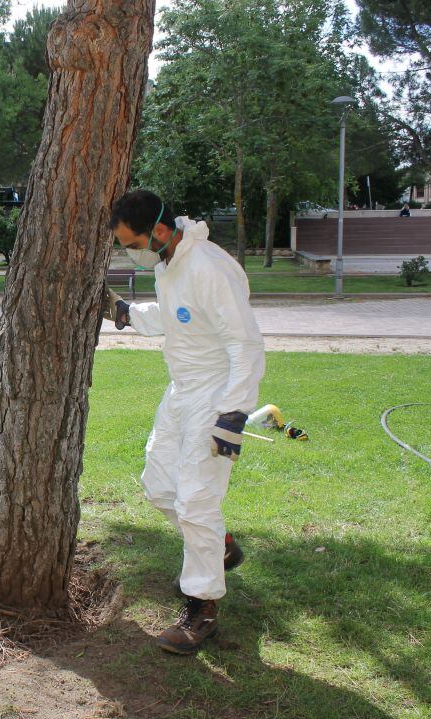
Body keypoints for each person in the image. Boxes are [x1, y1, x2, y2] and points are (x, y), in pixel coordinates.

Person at [105, 190, 265, 655]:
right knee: (158, 485)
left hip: (215, 394)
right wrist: (125, 312)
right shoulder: (170, 263)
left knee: (196, 500)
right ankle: (221, 546)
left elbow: (245, 343)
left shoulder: (209, 267)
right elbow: (178, 320)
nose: (129, 253)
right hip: (181, 390)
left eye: (131, 244)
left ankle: (203, 608)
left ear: (157, 231)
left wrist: (232, 415)